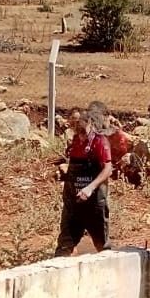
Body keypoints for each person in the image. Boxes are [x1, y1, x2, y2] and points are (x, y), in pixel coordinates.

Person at [54, 109, 113, 256]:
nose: (74, 125)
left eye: (78, 121)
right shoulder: (74, 141)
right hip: (73, 202)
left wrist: (90, 188)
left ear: (88, 122)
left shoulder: (100, 141)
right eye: (72, 122)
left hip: (94, 202)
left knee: (102, 245)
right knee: (64, 245)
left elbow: (108, 169)